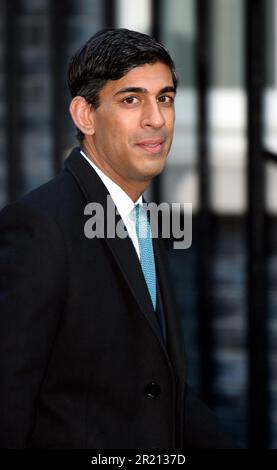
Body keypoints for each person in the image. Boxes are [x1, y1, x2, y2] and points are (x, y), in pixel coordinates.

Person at [0, 28, 237, 449]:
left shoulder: (142, 217)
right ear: (84, 115)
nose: (157, 119)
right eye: (131, 100)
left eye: (164, 98)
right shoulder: (39, 227)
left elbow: (164, 391)